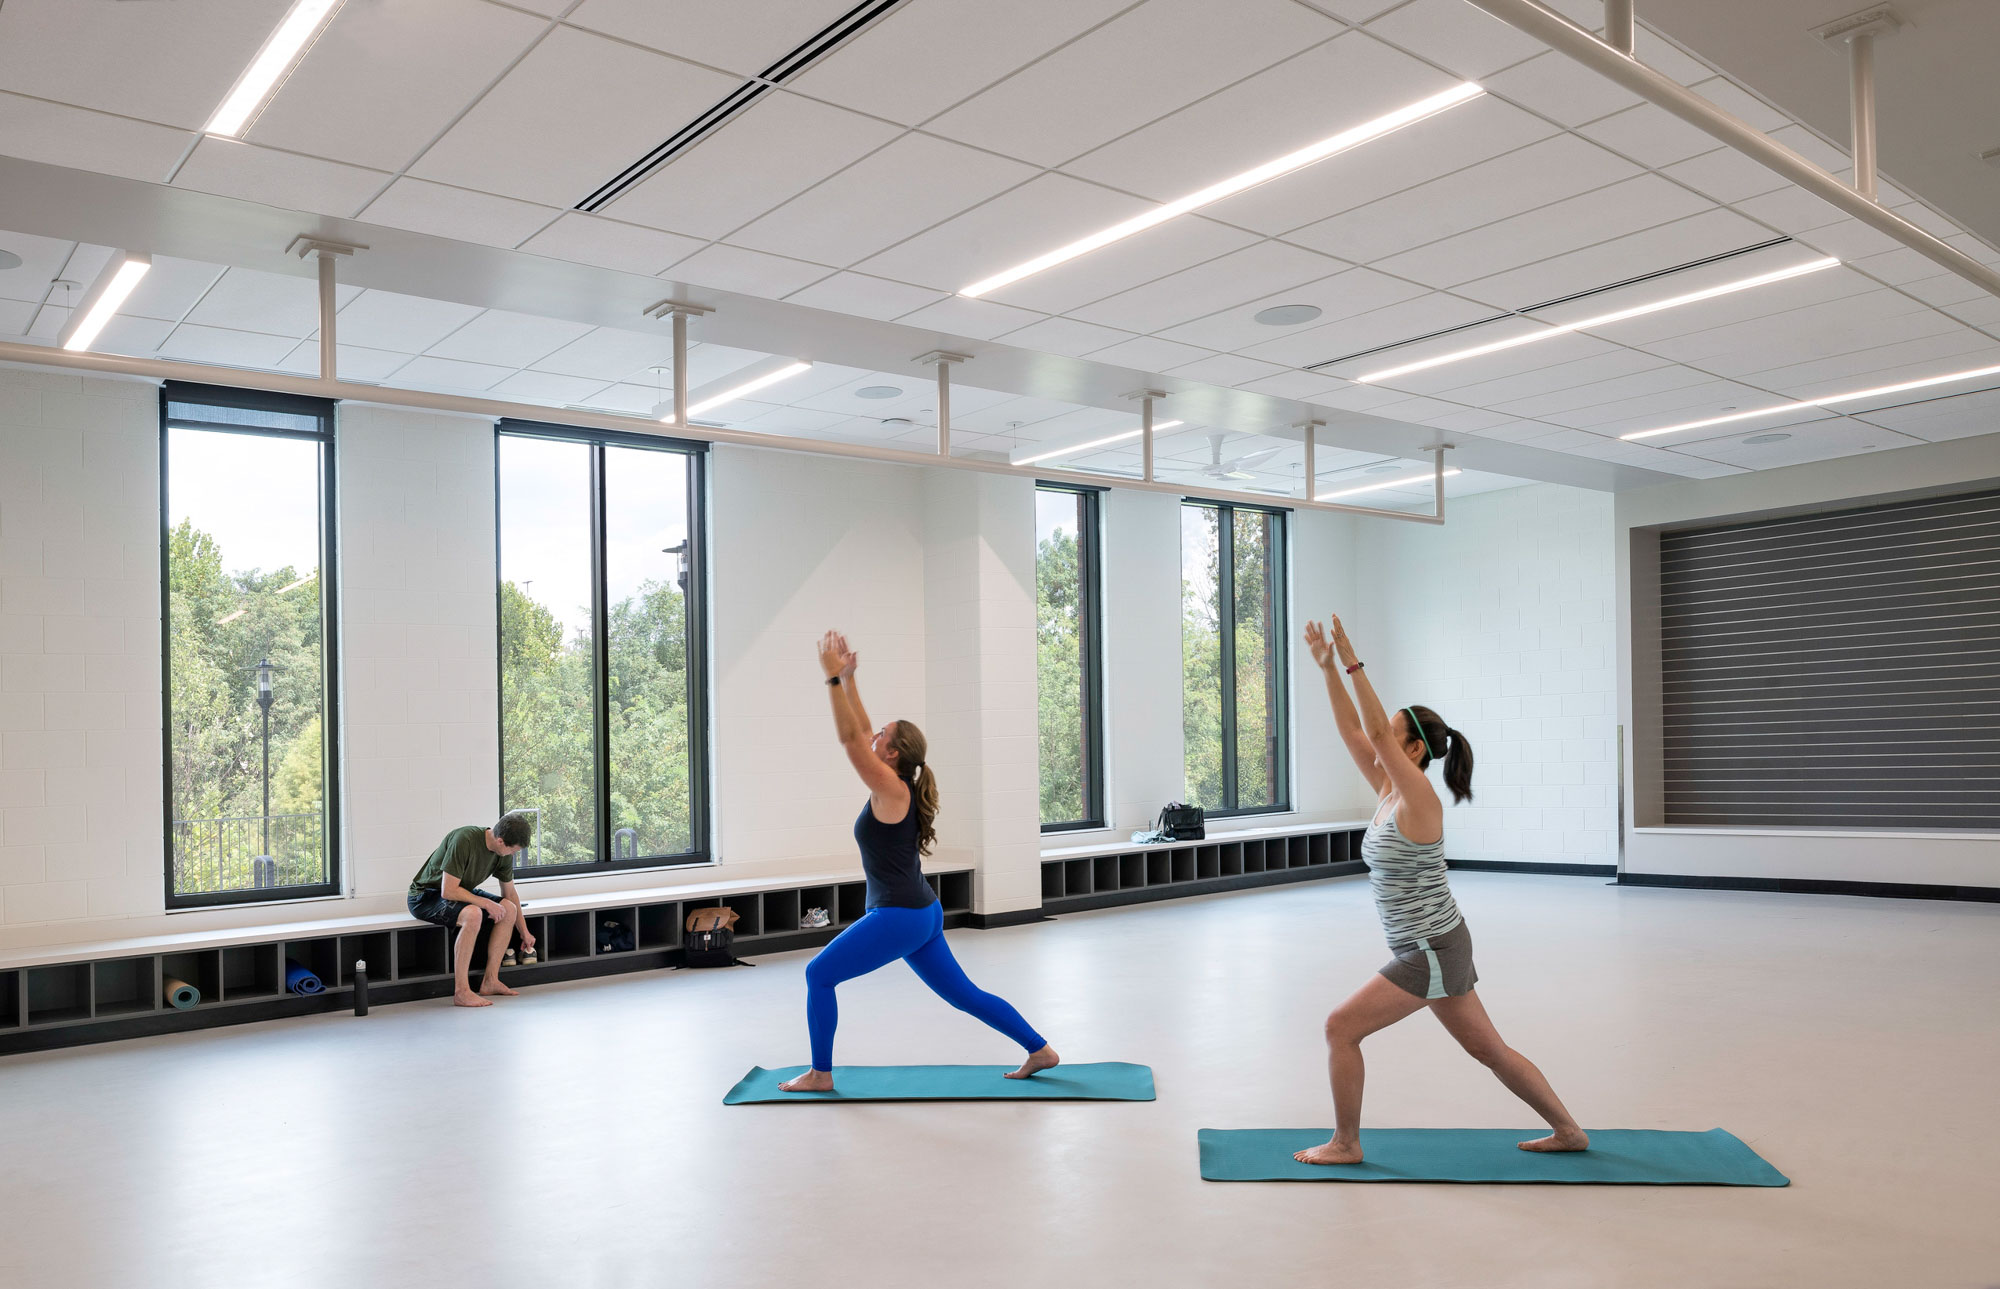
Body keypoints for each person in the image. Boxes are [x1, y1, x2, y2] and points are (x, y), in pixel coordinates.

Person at [1293, 613, 1587, 1165]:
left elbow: (1374, 731)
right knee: (1488, 1050)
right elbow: (1356, 733)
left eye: (1394, 733)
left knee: (1340, 1028)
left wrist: (1354, 663)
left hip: (1427, 949)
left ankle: (1346, 1144)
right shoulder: (1386, 786)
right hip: (1438, 944)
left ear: (1412, 752)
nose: (1381, 737)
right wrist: (1328, 668)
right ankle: (1569, 1130)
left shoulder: (1418, 801)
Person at [778, 630, 1058, 1092]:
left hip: (900, 916)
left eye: (883, 736)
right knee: (965, 995)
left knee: (818, 974)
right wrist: (849, 680)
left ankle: (820, 1074)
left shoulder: (889, 788)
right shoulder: (895, 781)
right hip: (922, 913)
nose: (874, 738)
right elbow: (863, 734)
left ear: (892, 754)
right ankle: (1039, 1049)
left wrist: (829, 680)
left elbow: (851, 742)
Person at [408, 813, 536, 1009]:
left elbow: (510, 893)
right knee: (473, 913)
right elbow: (448, 890)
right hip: (425, 896)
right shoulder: (464, 840)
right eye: (513, 851)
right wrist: (485, 903)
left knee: (508, 909)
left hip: (460, 892)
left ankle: (490, 981)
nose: (513, 855)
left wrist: (524, 932)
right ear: (500, 841)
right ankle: (461, 992)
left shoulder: (501, 853)